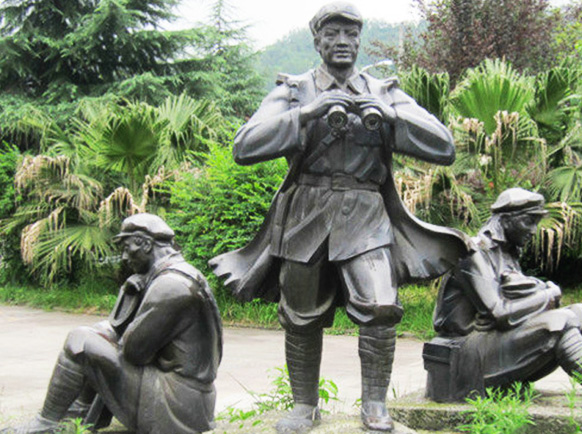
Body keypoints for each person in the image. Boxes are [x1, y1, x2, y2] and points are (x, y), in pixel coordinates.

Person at [209, 2, 467, 432]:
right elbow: (244, 146)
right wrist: (305, 114)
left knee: (381, 305)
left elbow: (444, 146)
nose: (342, 42)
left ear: (360, 40)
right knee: (300, 313)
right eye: (332, 34)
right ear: (317, 41)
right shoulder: (295, 91)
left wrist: (392, 117)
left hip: (366, 213)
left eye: (350, 34)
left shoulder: (383, 91)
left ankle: (375, 405)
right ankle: (304, 406)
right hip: (306, 213)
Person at [430, 188, 582, 413]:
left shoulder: (506, 253)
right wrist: (548, 295)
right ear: (505, 220)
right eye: (528, 221)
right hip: (467, 355)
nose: (533, 230)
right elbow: (500, 312)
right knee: (559, 322)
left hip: (491, 338)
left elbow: (512, 303)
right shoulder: (473, 254)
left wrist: (538, 294)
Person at [3, 214, 223, 434]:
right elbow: (116, 329)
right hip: (189, 399)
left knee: (80, 340)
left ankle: (46, 423)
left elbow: (134, 352)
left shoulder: (170, 286)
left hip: (175, 403)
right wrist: (129, 294)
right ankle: (78, 415)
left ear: (146, 244)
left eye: (127, 248)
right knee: (100, 332)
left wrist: (131, 307)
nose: (125, 257)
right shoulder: (179, 274)